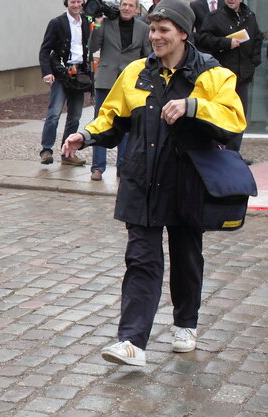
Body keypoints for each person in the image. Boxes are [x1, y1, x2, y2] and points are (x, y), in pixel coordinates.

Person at [62, 0, 245, 366]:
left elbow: (233, 117)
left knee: (186, 256)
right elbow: (113, 115)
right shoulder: (134, 72)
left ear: (183, 33)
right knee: (141, 260)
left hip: (187, 181)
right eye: (153, 29)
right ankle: (132, 342)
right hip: (142, 179)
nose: (156, 36)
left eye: (164, 30)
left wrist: (193, 107)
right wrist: (87, 135)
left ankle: (185, 323)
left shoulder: (211, 73)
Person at [88, 0, 151, 180]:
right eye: (124, 4)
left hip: (129, 83)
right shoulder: (106, 23)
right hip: (106, 80)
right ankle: (97, 168)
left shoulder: (143, 28)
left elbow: (146, 56)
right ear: (119, 5)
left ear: (136, 8)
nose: (126, 8)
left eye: (131, 5)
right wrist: (97, 24)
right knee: (100, 123)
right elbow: (92, 48)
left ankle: (123, 166)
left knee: (126, 125)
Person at [196, 0, 263, 154]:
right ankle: (219, 152)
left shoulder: (250, 16)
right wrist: (225, 42)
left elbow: (257, 38)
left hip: (243, 77)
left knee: (239, 116)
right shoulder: (214, 17)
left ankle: (233, 154)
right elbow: (203, 39)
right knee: (220, 115)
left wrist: (254, 62)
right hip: (222, 77)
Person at [38, 0, 90, 166]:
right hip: (61, 72)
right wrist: (47, 72)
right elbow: (45, 50)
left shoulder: (87, 23)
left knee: (75, 116)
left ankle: (67, 153)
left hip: (79, 73)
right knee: (54, 113)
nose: (76, 5)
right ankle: (46, 150)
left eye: (79, 1)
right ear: (67, 3)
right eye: (73, 1)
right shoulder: (57, 23)